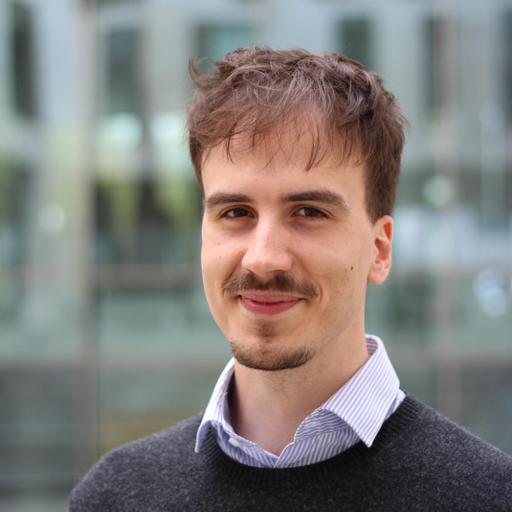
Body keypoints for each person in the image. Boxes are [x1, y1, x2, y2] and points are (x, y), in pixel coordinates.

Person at [70, 47, 512, 511]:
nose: (263, 259)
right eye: (236, 212)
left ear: (379, 250)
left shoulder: (489, 498)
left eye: (308, 212)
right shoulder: (115, 496)